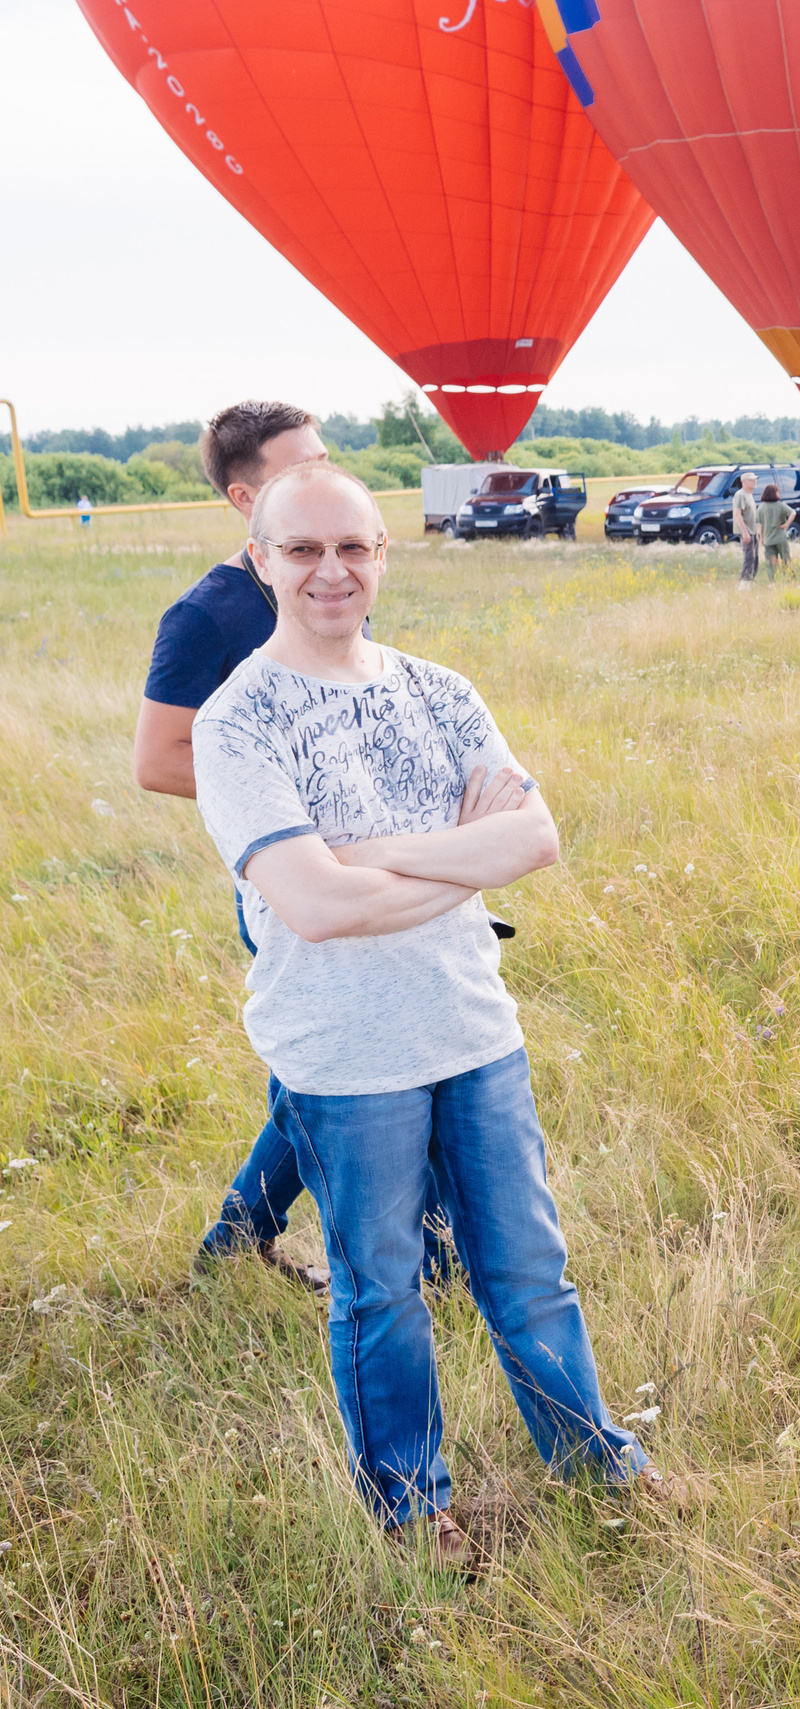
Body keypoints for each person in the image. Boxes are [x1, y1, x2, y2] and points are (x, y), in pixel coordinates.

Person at [189, 460, 688, 1567]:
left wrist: (374, 857)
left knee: (527, 1268)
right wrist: (464, 862)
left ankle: (592, 1456)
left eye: (354, 546)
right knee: (379, 1292)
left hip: (473, 1027)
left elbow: (536, 840)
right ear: (261, 559)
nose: (333, 571)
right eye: (304, 549)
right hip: (342, 1054)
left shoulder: (441, 688)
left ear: (384, 553)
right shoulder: (239, 722)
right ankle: (410, 1507)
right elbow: (312, 905)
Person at [134, 400, 450, 1294]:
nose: (322, 480)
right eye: (293, 468)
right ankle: (416, 1253)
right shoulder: (209, 614)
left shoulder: (329, 575)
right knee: (348, 1069)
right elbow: (158, 759)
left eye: (326, 458)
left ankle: (243, 1243)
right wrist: (293, 803)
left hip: (374, 866)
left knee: (362, 1060)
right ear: (245, 499)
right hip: (290, 877)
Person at [756, 482, 795, 579]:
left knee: (771, 563)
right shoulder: (780, 505)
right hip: (780, 538)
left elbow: (759, 525)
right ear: (774, 493)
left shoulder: (761, 508)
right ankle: (790, 579)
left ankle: (773, 582)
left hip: (768, 540)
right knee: (786, 560)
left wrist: (761, 538)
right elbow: (793, 513)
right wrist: (787, 524)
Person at [731, 472, 760, 584]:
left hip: (753, 531)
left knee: (755, 558)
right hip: (746, 532)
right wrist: (744, 532)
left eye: (754, 479)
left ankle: (751, 581)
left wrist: (757, 531)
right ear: (743, 482)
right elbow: (737, 514)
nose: (754, 482)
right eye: (751, 480)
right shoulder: (740, 495)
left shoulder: (749, 494)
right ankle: (744, 583)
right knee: (749, 558)